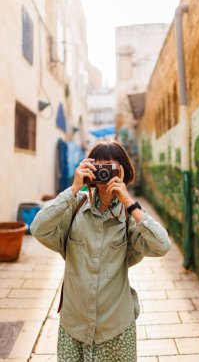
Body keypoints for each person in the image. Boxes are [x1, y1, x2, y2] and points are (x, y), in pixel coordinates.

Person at [30, 140, 171, 362]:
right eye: (99, 168)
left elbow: (162, 245)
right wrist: (74, 188)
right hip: (73, 329)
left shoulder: (128, 218)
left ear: (123, 172)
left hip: (116, 330)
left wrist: (129, 202)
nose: (104, 174)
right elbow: (37, 227)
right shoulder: (74, 208)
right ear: (88, 170)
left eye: (111, 168)